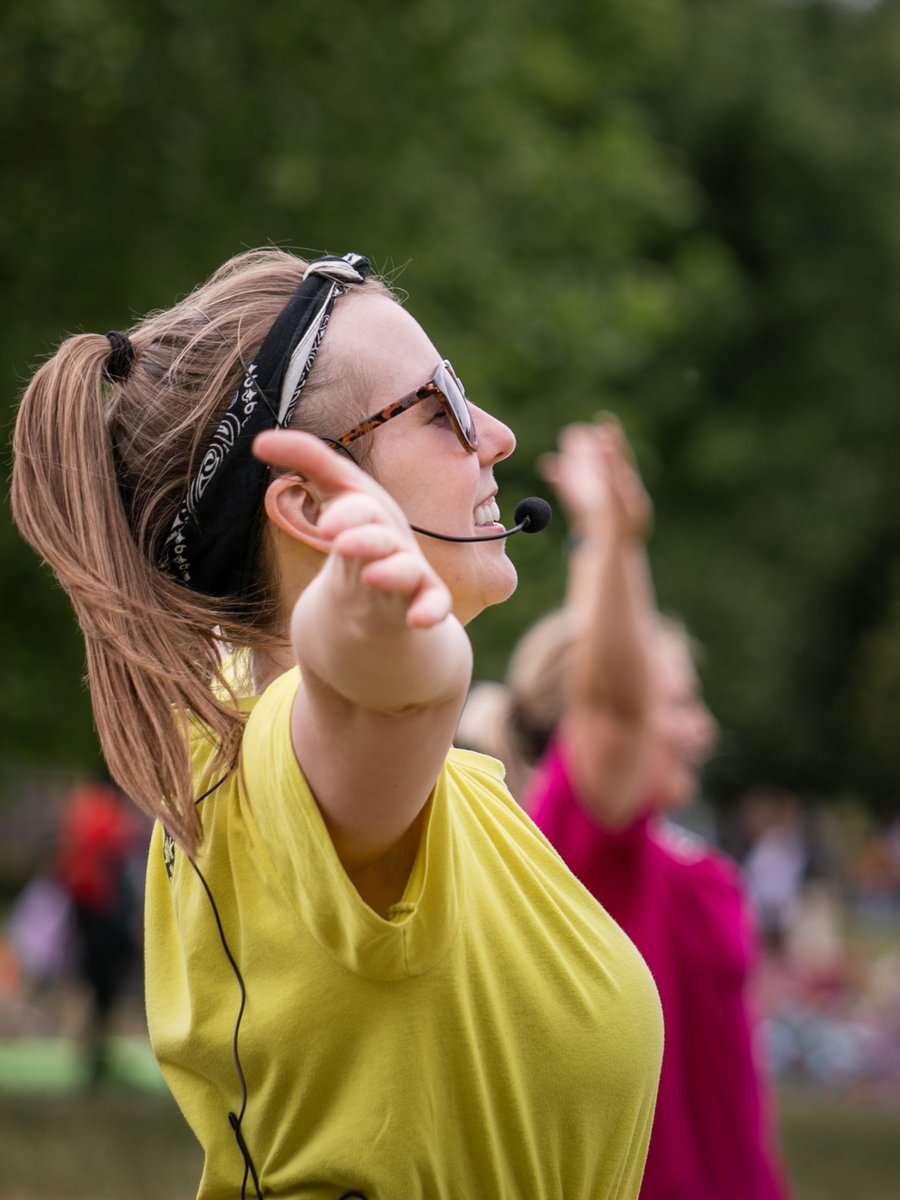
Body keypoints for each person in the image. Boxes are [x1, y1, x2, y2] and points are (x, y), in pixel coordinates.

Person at [11, 249, 662, 1199]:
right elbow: (376, 700)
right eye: (439, 403)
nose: (497, 433)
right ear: (308, 507)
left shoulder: (445, 790)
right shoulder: (257, 758)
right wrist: (381, 640)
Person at [505, 419, 790, 1200]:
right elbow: (614, 707)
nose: (702, 728)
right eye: (679, 704)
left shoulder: (686, 864)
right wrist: (607, 538)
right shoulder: (582, 842)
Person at [56, 778, 146, 1083]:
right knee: (100, 984)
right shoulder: (103, 811)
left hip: (91, 911)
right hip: (100, 913)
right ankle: (93, 1054)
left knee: (97, 984)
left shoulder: (83, 807)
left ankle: (95, 1053)